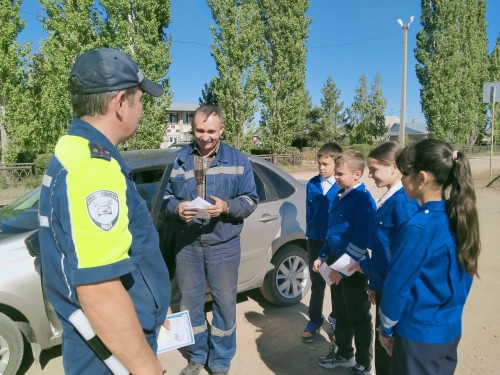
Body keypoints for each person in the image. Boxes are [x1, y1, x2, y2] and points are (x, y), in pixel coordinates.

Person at [38, 48, 171, 375]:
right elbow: (100, 291)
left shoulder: (75, 151)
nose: (141, 109)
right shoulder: (93, 168)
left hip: (106, 342)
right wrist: (148, 369)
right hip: (108, 356)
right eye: (140, 100)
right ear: (120, 104)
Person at [163, 105, 258, 375]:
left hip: (223, 246)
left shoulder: (239, 161)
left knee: (224, 305)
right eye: (199, 130)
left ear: (222, 130)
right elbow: (166, 200)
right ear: (192, 129)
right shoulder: (179, 159)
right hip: (188, 246)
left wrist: (226, 207)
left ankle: (220, 362)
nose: (205, 137)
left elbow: (251, 201)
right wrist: (176, 209)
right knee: (190, 304)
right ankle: (197, 356)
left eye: (211, 131)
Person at [378, 139, 481, 375]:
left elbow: (397, 286)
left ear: (421, 178)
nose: (402, 179)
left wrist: (386, 328)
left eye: (405, 174)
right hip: (448, 330)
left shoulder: (418, 227)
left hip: (417, 336)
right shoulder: (458, 216)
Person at [349, 142, 419, 375]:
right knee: (384, 354)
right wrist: (373, 283)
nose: (370, 174)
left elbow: (397, 260)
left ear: (393, 167)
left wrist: (363, 266)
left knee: (390, 356)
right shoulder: (391, 198)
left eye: (374, 169)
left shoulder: (403, 203)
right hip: (383, 286)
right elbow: (381, 249)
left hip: (394, 291)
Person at [313, 150, 376, 375]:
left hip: (352, 269)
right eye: (336, 173)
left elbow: (361, 240)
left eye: (340, 173)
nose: (335, 177)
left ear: (357, 174)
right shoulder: (340, 195)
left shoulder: (363, 200)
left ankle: (363, 364)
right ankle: (344, 354)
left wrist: (343, 271)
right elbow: (332, 232)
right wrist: (322, 256)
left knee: (358, 316)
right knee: (341, 312)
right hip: (334, 264)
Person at [301, 142, 343, 343]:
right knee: (317, 284)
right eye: (319, 163)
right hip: (316, 242)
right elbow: (310, 214)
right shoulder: (312, 184)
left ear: (337, 163)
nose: (321, 167)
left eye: (326, 164)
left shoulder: (342, 187)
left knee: (336, 283)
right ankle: (315, 320)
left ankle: (336, 318)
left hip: (335, 244)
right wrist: (311, 236)